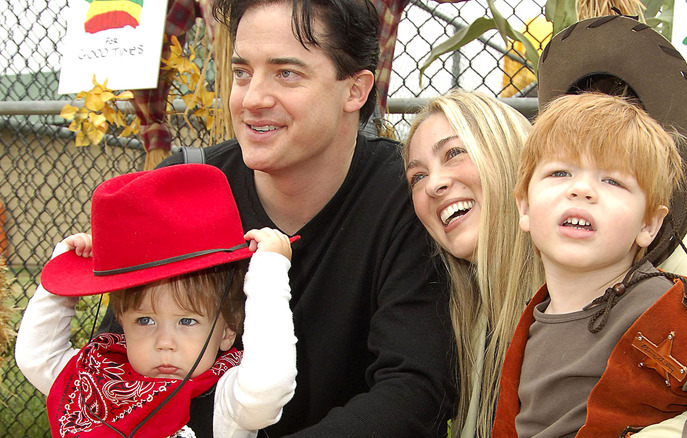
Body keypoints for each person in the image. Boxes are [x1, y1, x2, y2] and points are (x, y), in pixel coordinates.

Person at [99, 0, 456, 435]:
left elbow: (414, 390)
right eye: (242, 72)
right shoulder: (183, 187)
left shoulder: (404, 197)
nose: (252, 99)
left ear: (356, 90)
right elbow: (115, 365)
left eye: (286, 73)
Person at [494, 91, 687, 436]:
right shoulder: (533, 318)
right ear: (524, 207)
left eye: (612, 180)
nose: (582, 189)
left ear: (648, 225)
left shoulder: (677, 315)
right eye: (559, 173)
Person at [16, 164, 297, 438]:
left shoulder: (228, 402)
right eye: (145, 320)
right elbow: (37, 357)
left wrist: (269, 274)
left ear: (227, 332)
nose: (164, 342)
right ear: (122, 323)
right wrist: (65, 266)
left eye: (187, 321)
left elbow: (268, 386)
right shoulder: (96, 380)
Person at [403, 91, 543, 437]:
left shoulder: (590, 292)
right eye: (417, 177)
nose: (434, 184)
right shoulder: (464, 321)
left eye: (453, 153)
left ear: (508, 155)